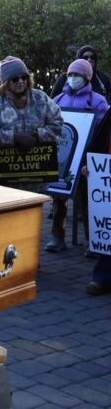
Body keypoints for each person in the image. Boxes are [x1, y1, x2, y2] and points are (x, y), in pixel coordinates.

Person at [46, 58, 109, 253]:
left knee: (87, 201)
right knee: (58, 198)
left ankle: (93, 241)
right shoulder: (57, 100)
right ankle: (58, 237)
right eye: (71, 74)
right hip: (63, 157)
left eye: (78, 75)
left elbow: (103, 131)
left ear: (87, 77)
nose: (73, 78)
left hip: (85, 158)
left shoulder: (98, 101)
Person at [0, 56, 63, 190]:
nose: (21, 82)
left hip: (36, 181)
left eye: (24, 77)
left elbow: (57, 123)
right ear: (6, 81)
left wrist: (37, 136)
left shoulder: (40, 98)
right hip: (4, 183)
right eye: (15, 79)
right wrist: (14, 138)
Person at [82, 109, 111, 295]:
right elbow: (97, 141)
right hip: (105, 178)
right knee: (108, 228)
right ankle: (103, 277)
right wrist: (88, 163)